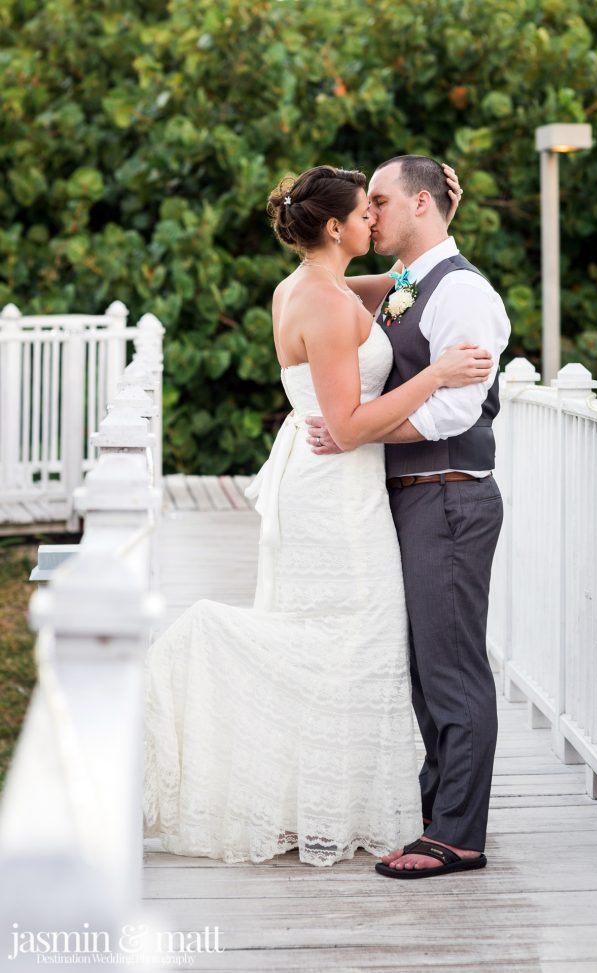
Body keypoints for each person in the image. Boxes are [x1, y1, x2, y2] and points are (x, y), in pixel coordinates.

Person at [143, 163, 493, 867]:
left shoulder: (315, 286)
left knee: (336, 635)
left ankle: (308, 800)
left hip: (326, 483)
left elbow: (406, 286)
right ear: (336, 226)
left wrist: (442, 215)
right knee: (351, 641)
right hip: (337, 493)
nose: (374, 221)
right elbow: (351, 422)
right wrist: (433, 374)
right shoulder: (329, 305)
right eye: (366, 212)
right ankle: (206, 652)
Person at [307, 155, 511, 878]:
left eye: (383, 201)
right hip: (418, 494)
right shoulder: (409, 285)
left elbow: (455, 405)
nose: (372, 215)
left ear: (421, 205)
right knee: (428, 671)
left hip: (450, 493)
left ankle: (458, 834)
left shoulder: (462, 294)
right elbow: (342, 288)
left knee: (452, 670)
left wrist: (359, 428)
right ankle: (439, 815)